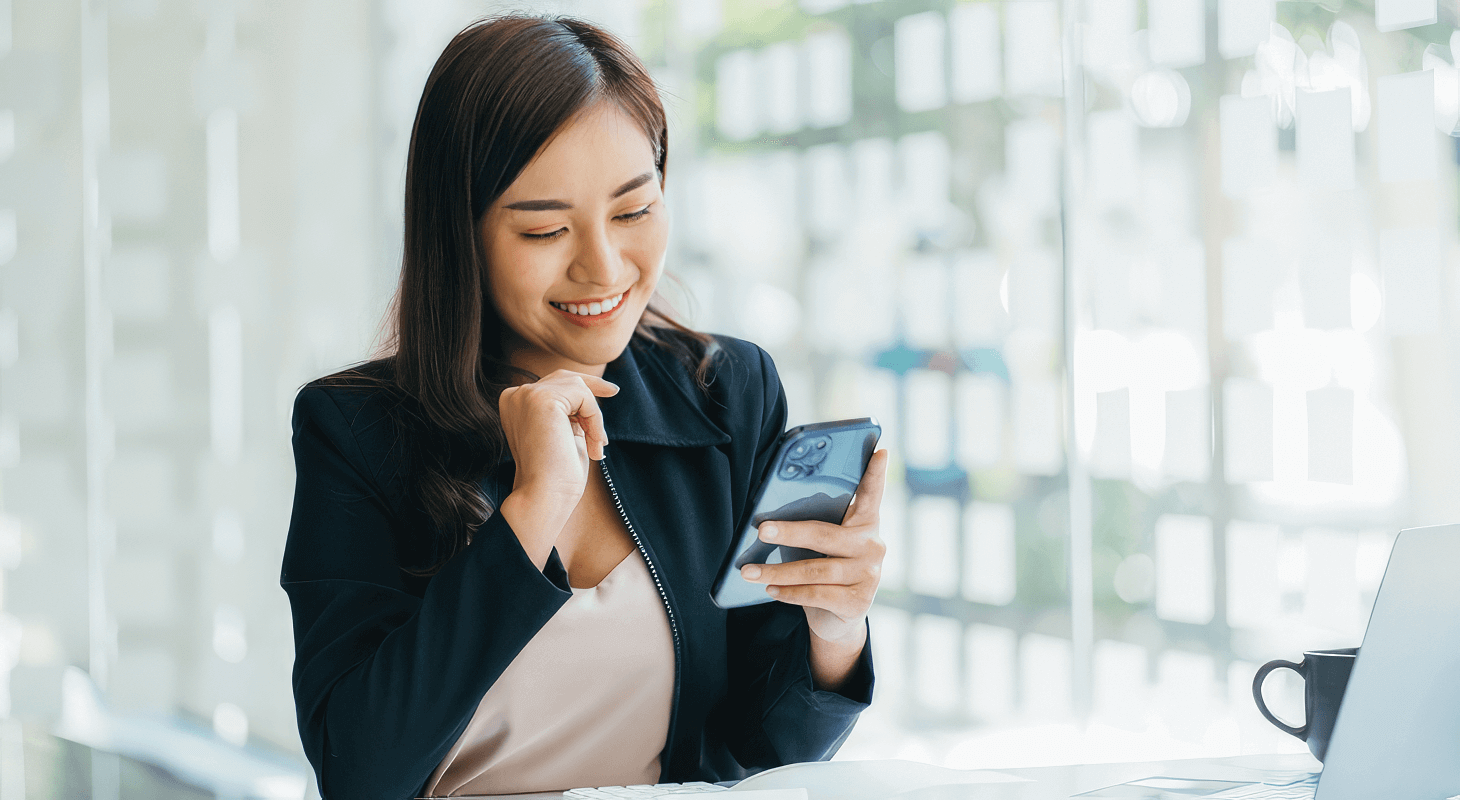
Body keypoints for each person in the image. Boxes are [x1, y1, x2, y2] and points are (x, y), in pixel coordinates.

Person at [281, 14, 889, 800]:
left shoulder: (726, 391)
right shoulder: (354, 430)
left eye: (634, 212)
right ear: (458, 234)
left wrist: (834, 632)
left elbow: (759, 757)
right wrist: (531, 511)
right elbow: (359, 771)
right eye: (544, 229)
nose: (603, 267)